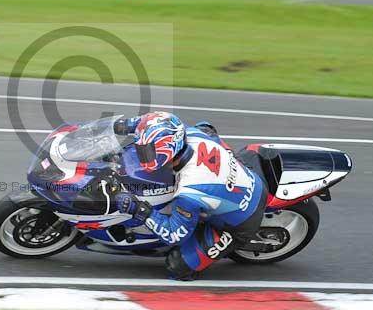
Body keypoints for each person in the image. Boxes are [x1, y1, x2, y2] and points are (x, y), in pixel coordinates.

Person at [112, 111, 268, 280]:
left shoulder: (189, 190)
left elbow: (174, 235)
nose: (141, 153)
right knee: (205, 129)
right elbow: (156, 123)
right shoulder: (185, 133)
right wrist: (126, 125)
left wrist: (139, 210)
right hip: (244, 176)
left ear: (166, 150)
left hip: (243, 220)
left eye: (145, 151)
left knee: (178, 266)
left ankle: (208, 234)